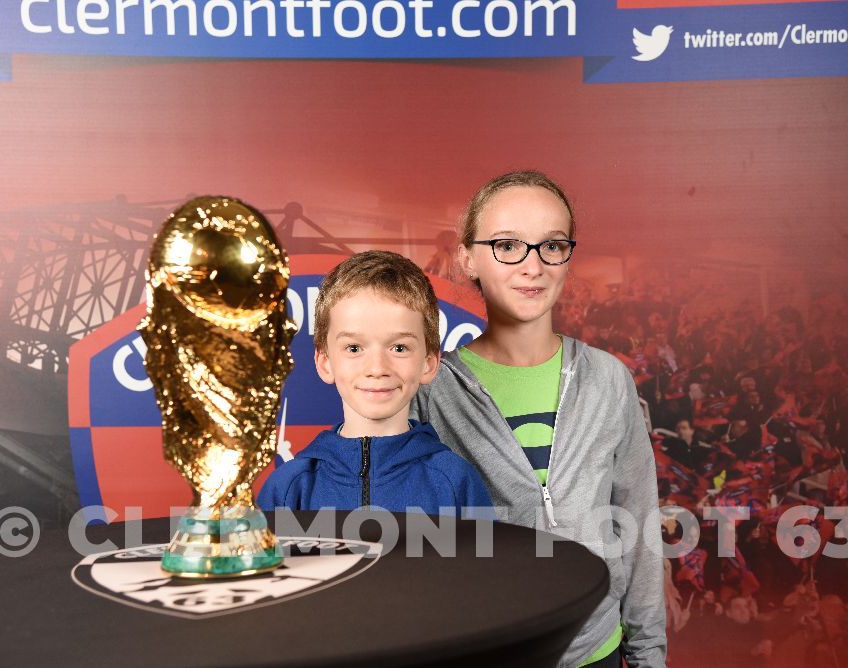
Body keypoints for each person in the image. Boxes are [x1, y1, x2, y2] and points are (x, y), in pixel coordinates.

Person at [412, 171, 666, 667]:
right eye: (507, 245)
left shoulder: (608, 379)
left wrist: (649, 653)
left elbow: (639, 523)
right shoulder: (433, 391)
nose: (533, 266)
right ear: (468, 259)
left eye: (551, 245)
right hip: (486, 651)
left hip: (598, 652)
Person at [258, 250, 492, 514]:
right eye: (355, 348)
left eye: (399, 348)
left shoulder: (457, 483)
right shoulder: (289, 488)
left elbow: (483, 555)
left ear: (429, 362)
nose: (377, 368)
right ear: (325, 362)